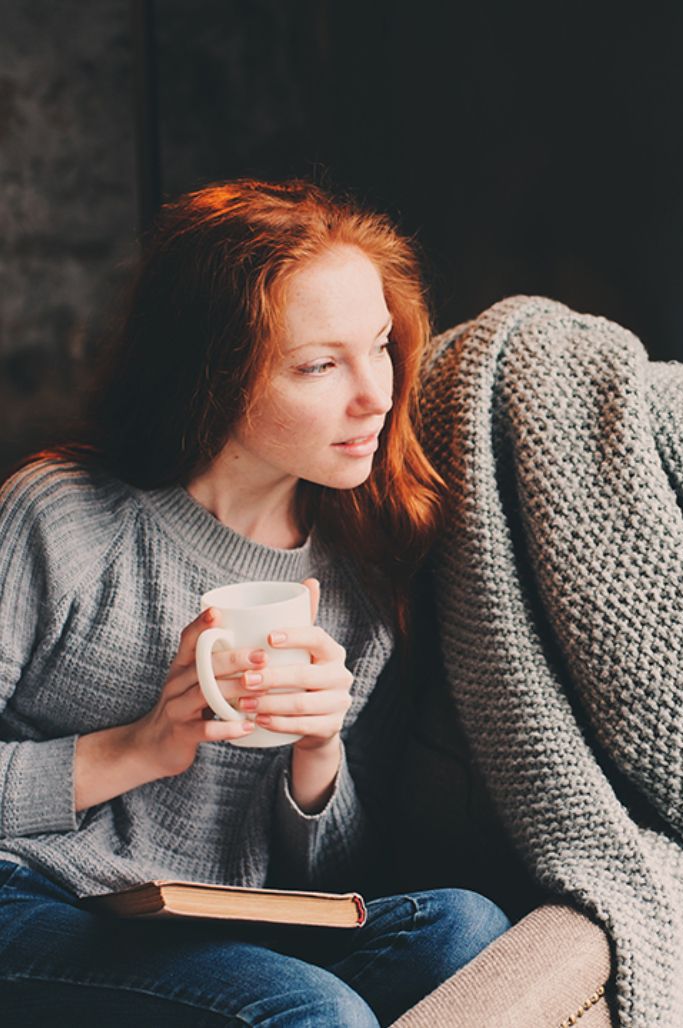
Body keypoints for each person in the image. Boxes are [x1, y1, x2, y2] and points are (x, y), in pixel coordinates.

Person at [0, 179, 512, 1025]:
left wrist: (317, 761)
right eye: (319, 365)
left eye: (379, 346)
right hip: (30, 900)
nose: (376, 394)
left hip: (210, 929)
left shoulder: (362, 564)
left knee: (466, 932)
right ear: (213, 373)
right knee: (314, 1011)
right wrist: (137, 749)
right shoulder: (63, 516)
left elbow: (334, 880)